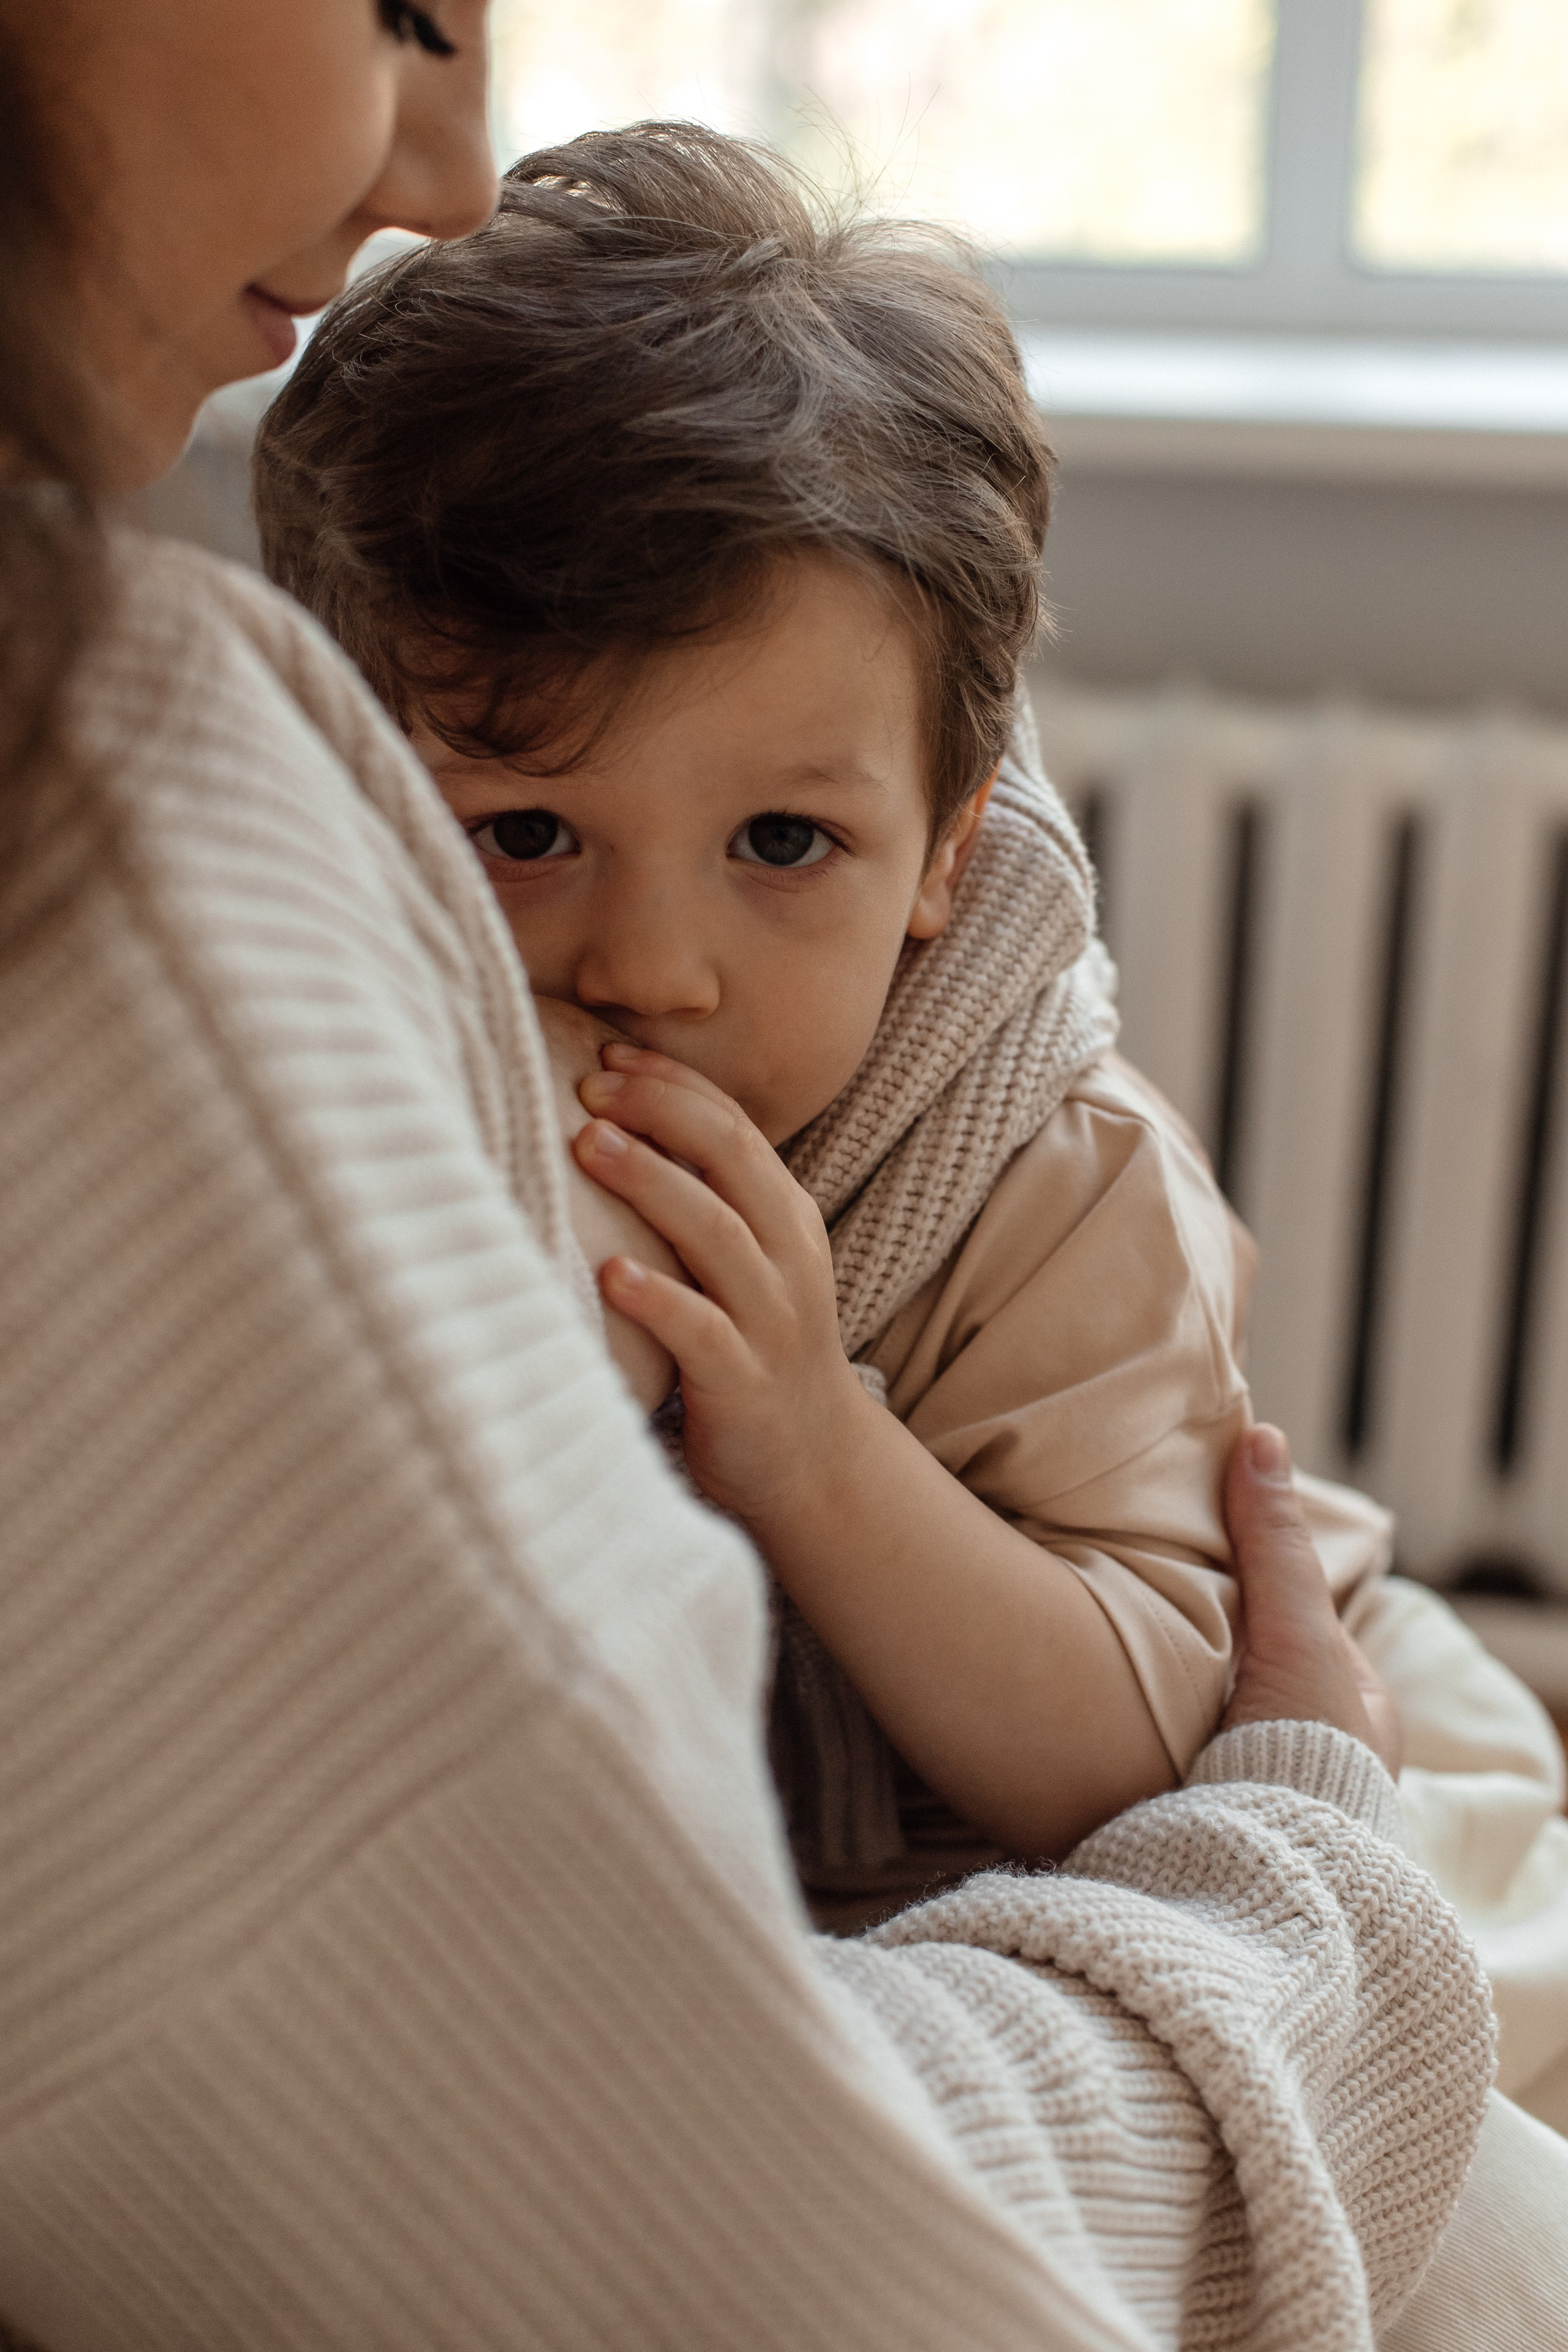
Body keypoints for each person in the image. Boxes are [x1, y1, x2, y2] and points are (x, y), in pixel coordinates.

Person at [0, 7, 1562, 2348]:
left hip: (1321, 1759)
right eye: (520, 835)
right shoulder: (318, 1040)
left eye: (784, 847)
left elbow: (1171, 1715)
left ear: (944, 857)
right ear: (349, 770)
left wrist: (819, 1452)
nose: (651, 961)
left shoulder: (1037, 1161)